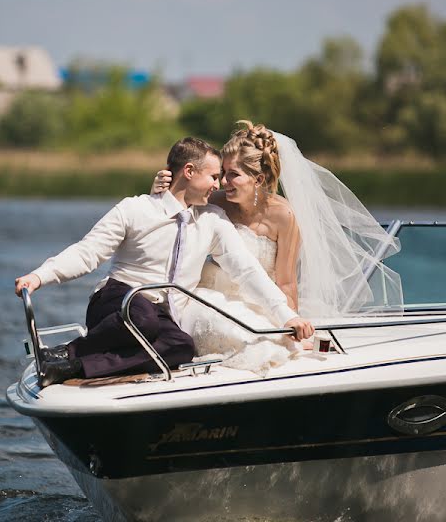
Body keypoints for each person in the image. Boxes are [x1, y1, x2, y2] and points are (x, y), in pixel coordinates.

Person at [14, 136, 315, 388]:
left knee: (181, 346)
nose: (218, 185)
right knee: (142, 315)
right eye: (212, 176)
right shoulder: (136, 209)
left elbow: (246, 270)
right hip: (118, 300)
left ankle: (73, 366)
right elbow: (87, 252)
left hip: (164, 314)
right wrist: (39, 276)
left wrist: (284, 314)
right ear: (189, 172)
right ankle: (65, 353)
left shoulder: (212, 219)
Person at [152, 121, 402, 374]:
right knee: (237, 333)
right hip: (211, 296)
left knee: (270, 339)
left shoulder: (283, 216)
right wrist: (160, 191)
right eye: (222, 173)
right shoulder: (214, 201)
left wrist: (289, 321)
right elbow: (170, 222)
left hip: (261, 300)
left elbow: (286, 282)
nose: (222, 181)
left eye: (233, 174)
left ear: (258, 178)